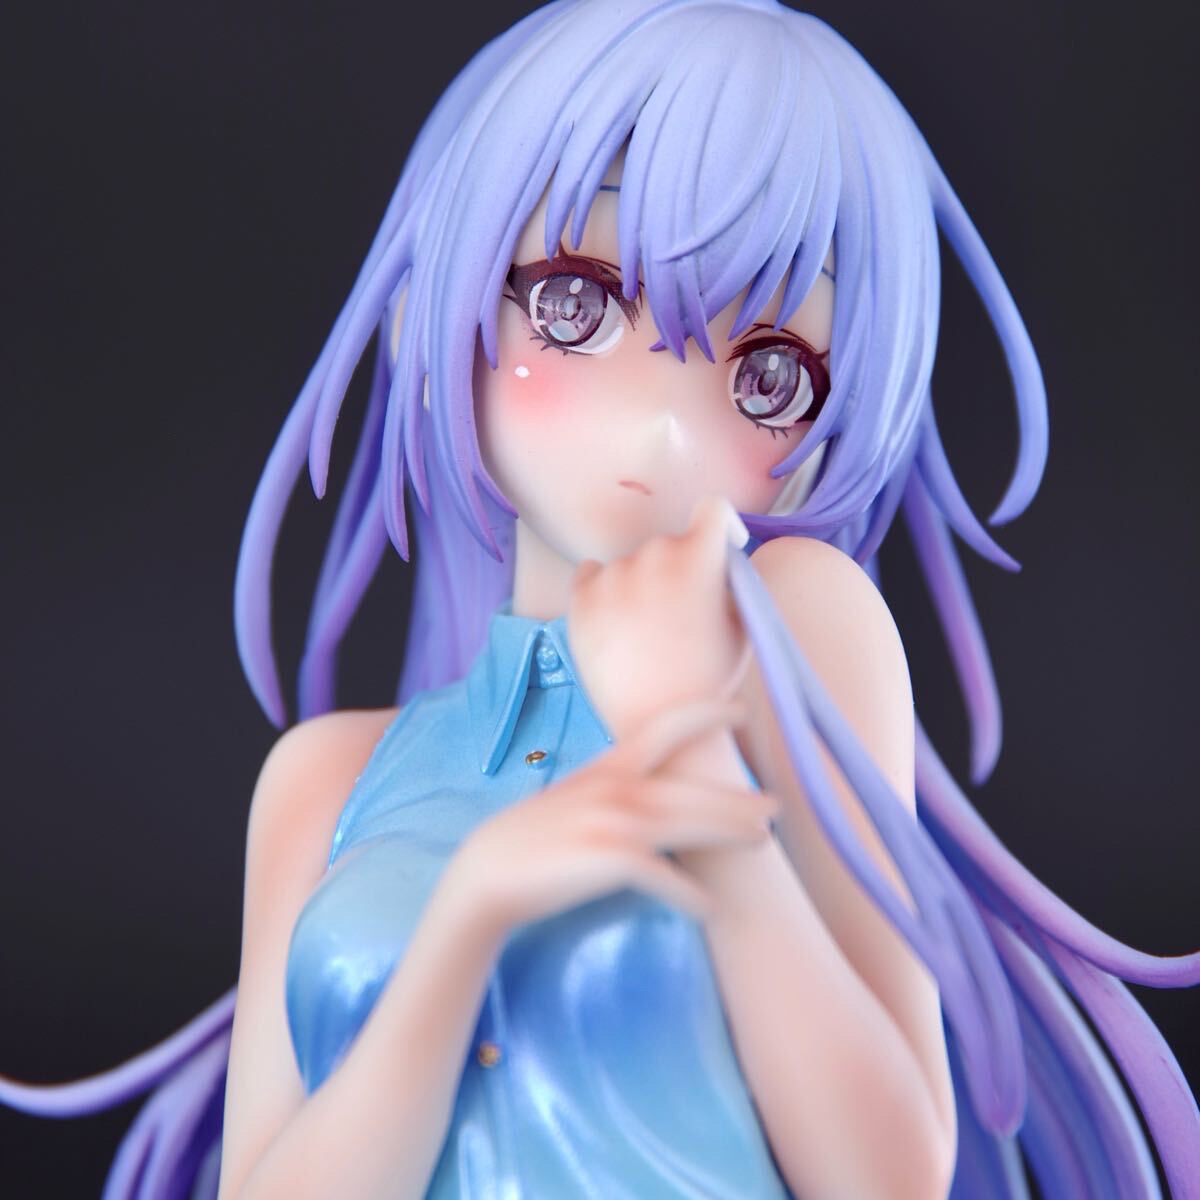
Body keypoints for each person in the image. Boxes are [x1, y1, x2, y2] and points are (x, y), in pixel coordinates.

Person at [3, 2, 1197, 1197]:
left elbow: (891, 1177)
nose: (663, 430)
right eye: (575, 303)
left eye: (770, 376)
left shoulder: (787, 635)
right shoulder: (325, 783)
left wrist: (697, 774)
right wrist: (465, 922)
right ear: (439, 314)